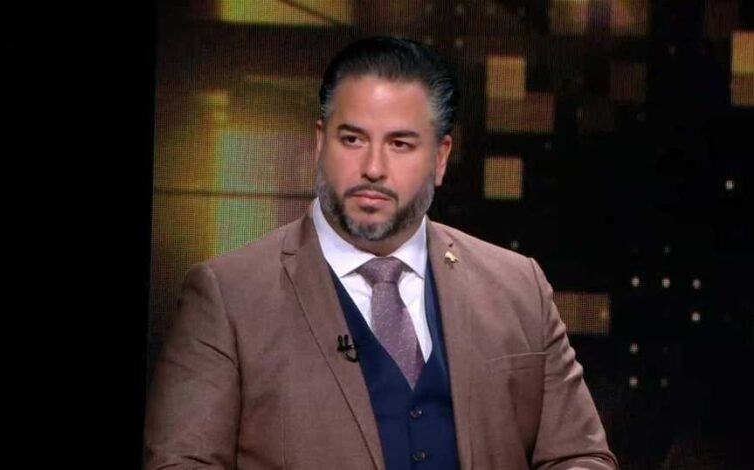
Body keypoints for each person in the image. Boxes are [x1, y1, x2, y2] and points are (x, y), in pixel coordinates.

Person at [144, 36, 617, 470]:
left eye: (400, 144)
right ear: (319, 142)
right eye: (352, 139)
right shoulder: (228, 295)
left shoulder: (518, 286)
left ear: (440, 158)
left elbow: (579, 456)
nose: (373, 167)